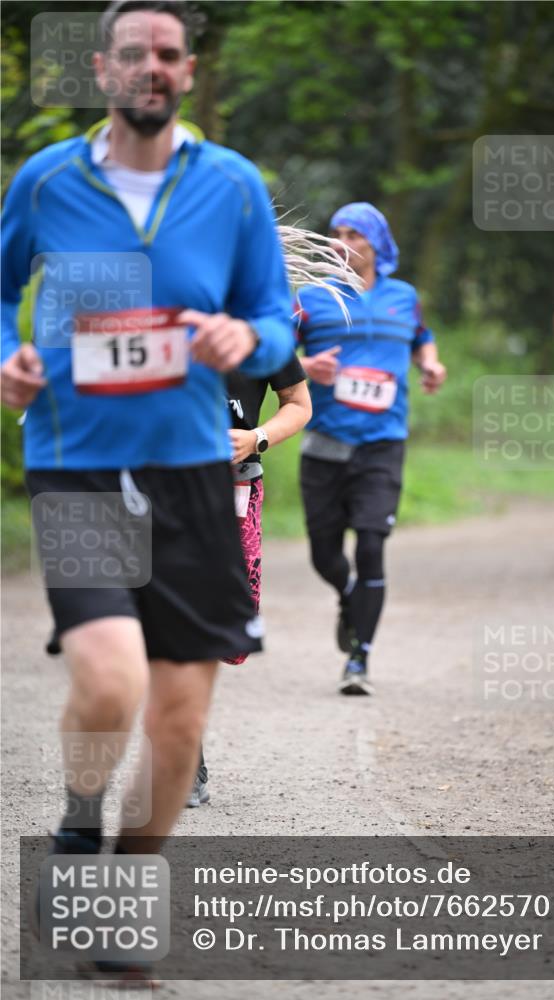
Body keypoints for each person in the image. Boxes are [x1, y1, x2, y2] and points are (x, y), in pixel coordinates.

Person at [1, 0, 294, 982]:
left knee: (177, 722)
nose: (152, 67)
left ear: (189, 73)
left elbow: (275, 321)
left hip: (195, 474)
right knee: (111, 679)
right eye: (136, 52)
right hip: (77, 458)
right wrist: (8, 353)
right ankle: (80, 829)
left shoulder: (233, 187)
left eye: (170, 53)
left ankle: (124, 886)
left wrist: (249, 339)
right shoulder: (46, 182)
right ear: (104, 68)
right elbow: (0, 295)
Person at [296, 202, 446, 695]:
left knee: (373, 546)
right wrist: (304, 364)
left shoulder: (404, 297)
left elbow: (422, 338)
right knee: (324, 555)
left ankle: (360, 659)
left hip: (383, 443)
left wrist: (430, 363)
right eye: (336, 233)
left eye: (355, 235)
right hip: (324, 443)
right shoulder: (314, 297)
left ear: (378, 244)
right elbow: (275, 351)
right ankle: (347, 595)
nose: (343, 242)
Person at [188, 354, 311, 807]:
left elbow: (298, 403)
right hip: (162, 487)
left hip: (236, 489)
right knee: (181, 618)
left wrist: (256, 437)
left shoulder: (265, 330)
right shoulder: (158, 314)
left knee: (227, 631)